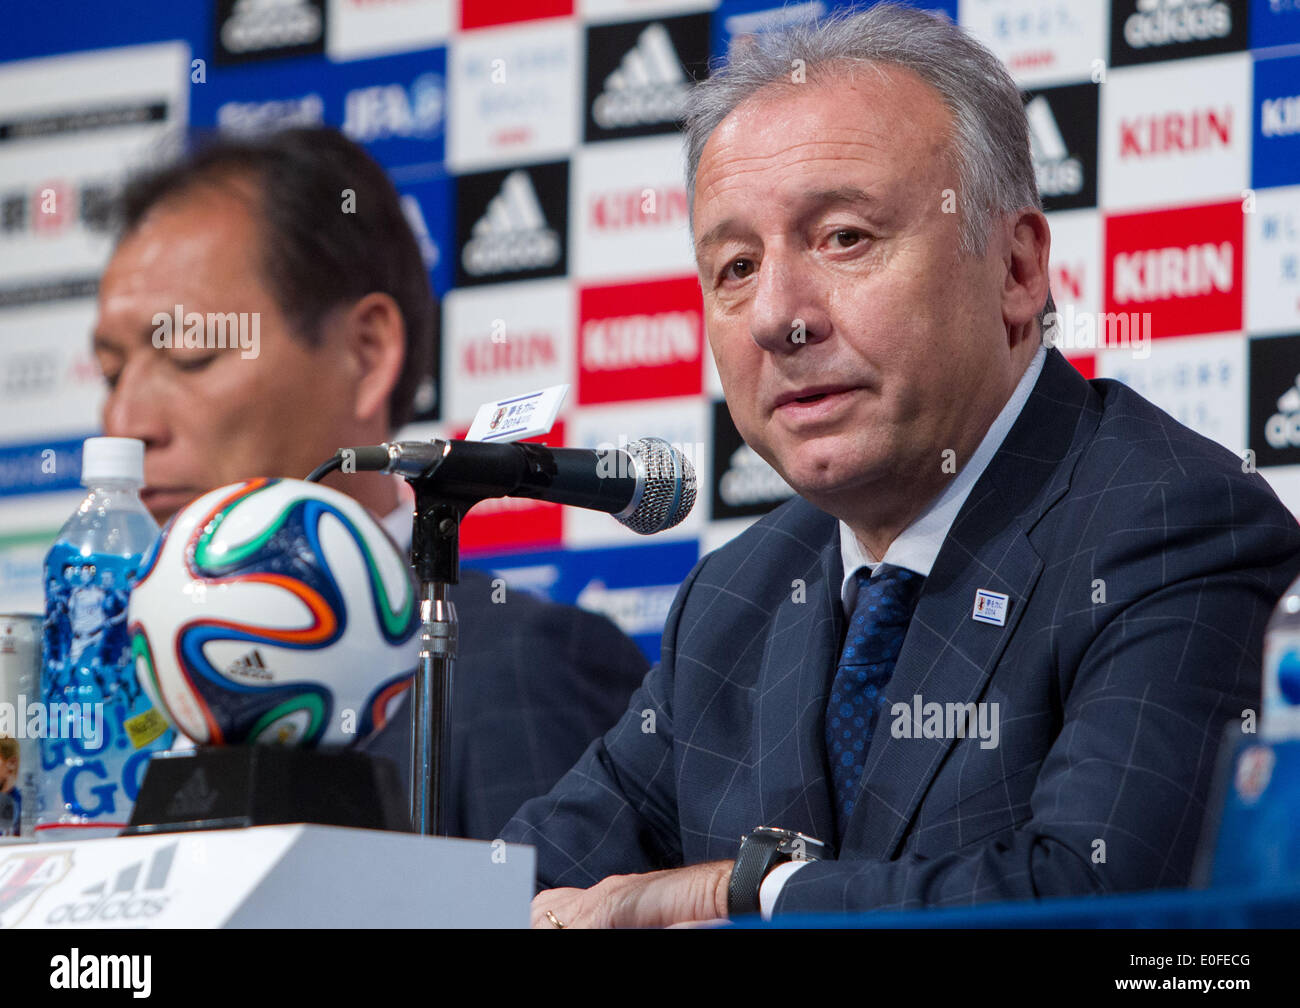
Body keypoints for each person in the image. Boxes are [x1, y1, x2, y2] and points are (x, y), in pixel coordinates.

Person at [502, 3, 1300, 927]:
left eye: (844, 237)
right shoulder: (733, 600)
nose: (778, 316)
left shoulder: (1176, 526)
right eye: (736, 267)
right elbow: (519, 881)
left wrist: (743, 892)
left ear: (1016, 270)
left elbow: (1095, 899)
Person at [90, 127, 649, 841]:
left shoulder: (515, 666)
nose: (126, 422)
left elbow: (552, 899)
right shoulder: (92, 694)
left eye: (191, 353)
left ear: (366, 351)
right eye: (110, 374)